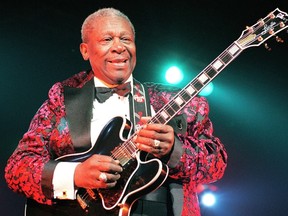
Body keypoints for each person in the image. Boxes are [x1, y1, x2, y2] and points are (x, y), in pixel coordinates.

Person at [5, 7, 227, 216]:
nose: (119, 47)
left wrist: (173, 150)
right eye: (107, 39)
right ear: (85, 50)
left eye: (126, 39)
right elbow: (18, 168)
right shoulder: (62, 98)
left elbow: (215, 165)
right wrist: (76, 175)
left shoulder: (178, 102)